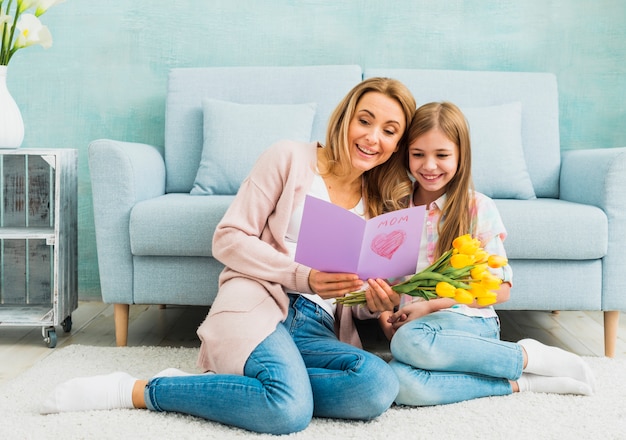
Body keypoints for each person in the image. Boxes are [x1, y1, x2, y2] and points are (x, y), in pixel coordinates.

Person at [40, 77, 417, 434]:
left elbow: (360, 297)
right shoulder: (288, 157)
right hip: (261, 302)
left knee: (378, 386)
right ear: (345, 118)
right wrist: (305, 276)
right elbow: (228, 238)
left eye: (389, 130)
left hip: (318, 324)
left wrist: (377, 302)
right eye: (364, 121)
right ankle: (139, 390)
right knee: (288, 410)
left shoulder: (383, 203)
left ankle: (246, 385)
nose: (372, 137)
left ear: (398, 144)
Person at [366, 101, 596, 407]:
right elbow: (387, 285)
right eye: (418, 154)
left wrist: (433, 305)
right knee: (399, 383)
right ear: (406, 153)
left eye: (442, 155)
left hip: (467, 323)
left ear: (461, 156)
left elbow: (500, 290)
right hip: (416, 330)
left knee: (409, 343)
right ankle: (518, 383)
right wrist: (384, 315)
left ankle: (527, 356)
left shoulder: (478, 207)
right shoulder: (395, 210)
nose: (429, 166)